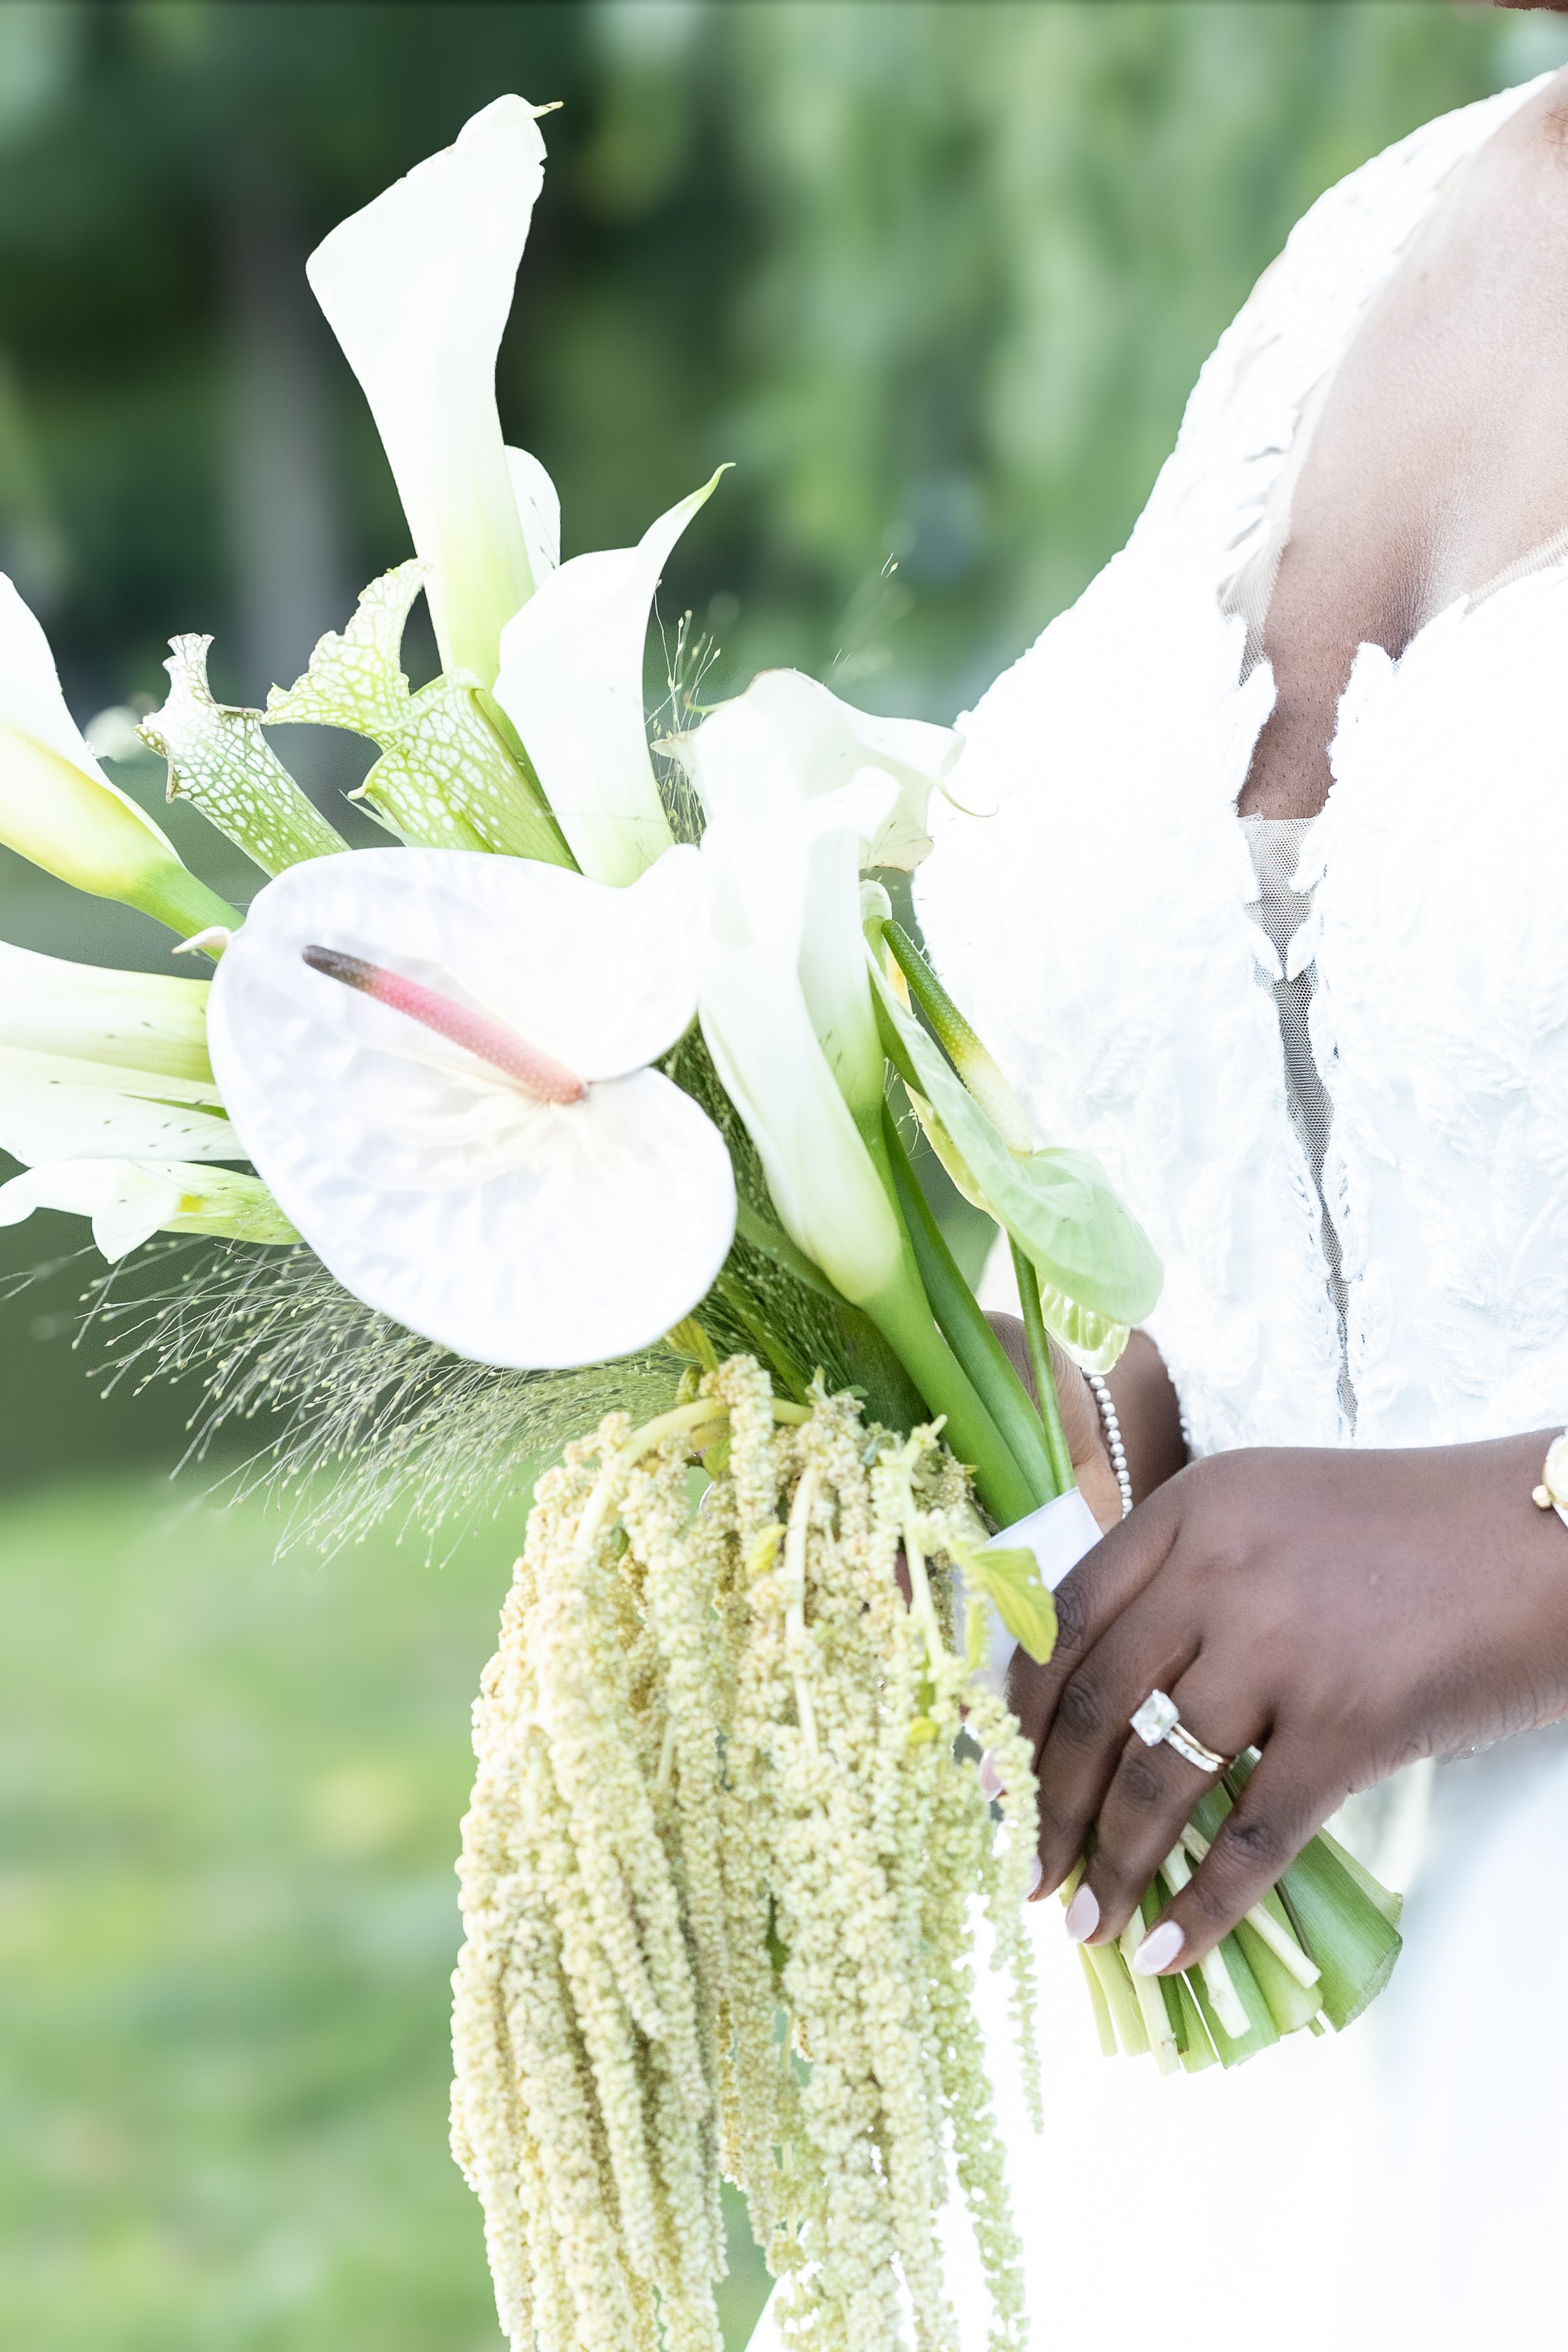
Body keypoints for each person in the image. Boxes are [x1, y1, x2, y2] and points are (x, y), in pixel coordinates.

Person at [755, 28, 1568, 2352]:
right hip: (1221, 2055)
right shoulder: (1384, 231)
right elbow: (1348, 1067)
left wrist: (1527, 1537)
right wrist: (1086, 1456)